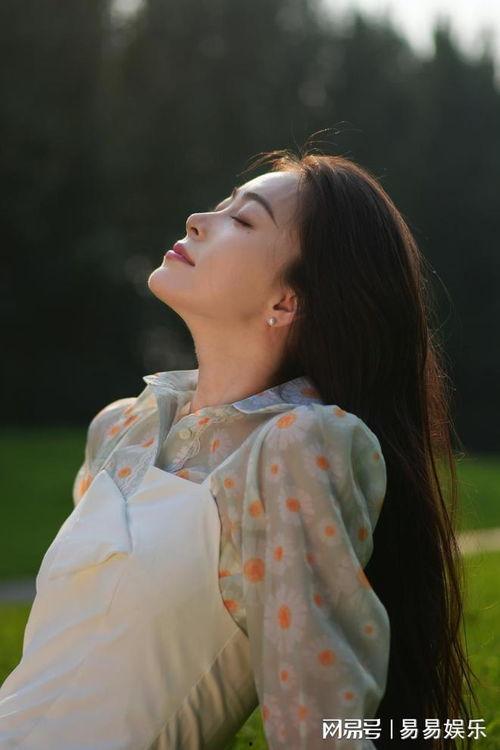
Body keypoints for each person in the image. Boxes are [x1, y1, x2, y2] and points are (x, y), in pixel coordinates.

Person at [0, 148, 478, 749]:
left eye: (243, 219)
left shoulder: (294, 449)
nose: (198, 219)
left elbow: (317, 723)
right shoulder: (124, 429)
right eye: (221, 204)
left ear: (286, 302)